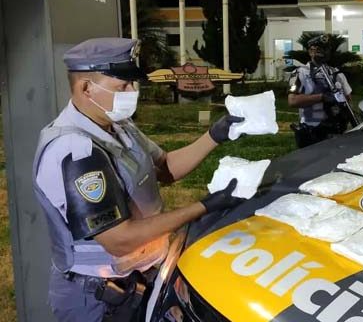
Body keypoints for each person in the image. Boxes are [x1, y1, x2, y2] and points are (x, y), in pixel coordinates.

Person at [32, 38, 245, 321]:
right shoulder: (75, 150)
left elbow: (164, 168)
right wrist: (204, 206)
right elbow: (119, 240)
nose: (132, 91)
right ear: (86, 88)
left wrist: (215, 135)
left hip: (139, 278)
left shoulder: (118, 126)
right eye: (122, 86)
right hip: (99, 297)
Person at [288, 34, 354, 148]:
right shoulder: (301, 73)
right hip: (311, 130)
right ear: (310, 51)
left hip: (335, 130)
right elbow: (292, 100)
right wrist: (322, 97)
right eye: (316, 49)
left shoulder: (336, 74)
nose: (320, 52)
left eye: (325, 49)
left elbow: (348, 100)